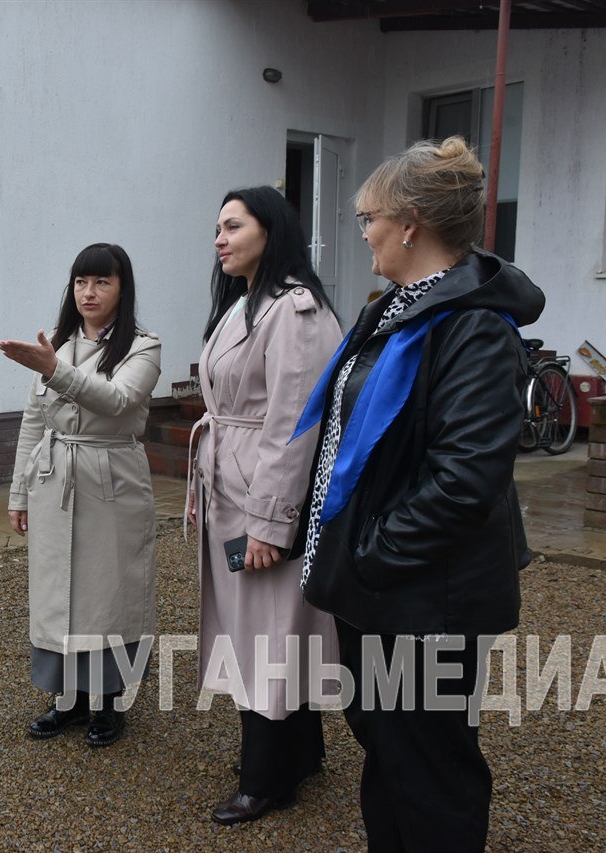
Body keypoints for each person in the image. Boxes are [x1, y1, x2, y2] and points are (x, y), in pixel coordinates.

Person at [295, 137, 545, 851]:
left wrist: (370, 556)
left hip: (425, 595)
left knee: (432, 773)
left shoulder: (472, 327)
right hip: (381, 592)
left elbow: (465, 479)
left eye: (368, 217)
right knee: (390, 757)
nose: (364, 230)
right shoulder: (396, 310)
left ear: (409, 223)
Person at [186, 186, 342, 826]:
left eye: (232, 225)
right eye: (217, 227)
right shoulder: (245, 305)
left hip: (262, 493)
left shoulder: (295, 312)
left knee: (270, 633)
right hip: (232, 485)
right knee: (263, 630)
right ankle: (299, 753)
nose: (219, 238)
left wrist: (271, 522)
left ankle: (267, 775)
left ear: (270, 230)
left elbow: (293, 425)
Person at [0, 243, 161, 748]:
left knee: (108, 590)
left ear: (122, 288)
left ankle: (111, 703)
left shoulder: (142, 346)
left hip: (111, 474)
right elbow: (33, 421)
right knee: (57, 590)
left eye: (102, 282)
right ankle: (65, 697)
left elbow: (117, 401)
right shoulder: (60, 344)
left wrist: (54, 370)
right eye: (80, 283)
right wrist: (18, 492)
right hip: (54, 473)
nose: (89, 293)